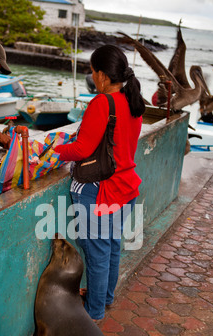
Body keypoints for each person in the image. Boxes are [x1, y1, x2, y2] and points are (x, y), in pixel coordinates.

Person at [54, 44, 145, 321]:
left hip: (102, 190)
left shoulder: (102, 103)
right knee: (111, 247)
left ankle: (93, 314)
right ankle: (104, 298)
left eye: (93, 72)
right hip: (127, 187)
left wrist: (55, 150)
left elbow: (81, 149)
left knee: (97, 253)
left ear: (103, 75)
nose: (92, 78)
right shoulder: (134, 102)